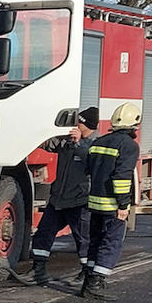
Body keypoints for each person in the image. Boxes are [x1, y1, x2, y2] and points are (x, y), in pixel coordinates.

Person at [25, 106, 99, 286]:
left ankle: (87, 273)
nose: (75, 126)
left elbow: (91, 162)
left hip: (79, 201)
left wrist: (79, 144)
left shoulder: (94, 145)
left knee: (83, 239)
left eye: (79, 123)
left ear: (85, 125)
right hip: (58, 200)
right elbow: (48, 143)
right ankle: (38, 270)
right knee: (44, 233)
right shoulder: (65, 143)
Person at [81, 102, 141, 301]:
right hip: (113, 205)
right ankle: (96, 283)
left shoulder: (98, 142)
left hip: (94, 202)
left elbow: (87, 170)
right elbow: (122, 177)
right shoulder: (130, 146)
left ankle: (89, 279)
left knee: (95, 242)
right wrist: (124, 205)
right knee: (111, 242)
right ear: (134, 125)